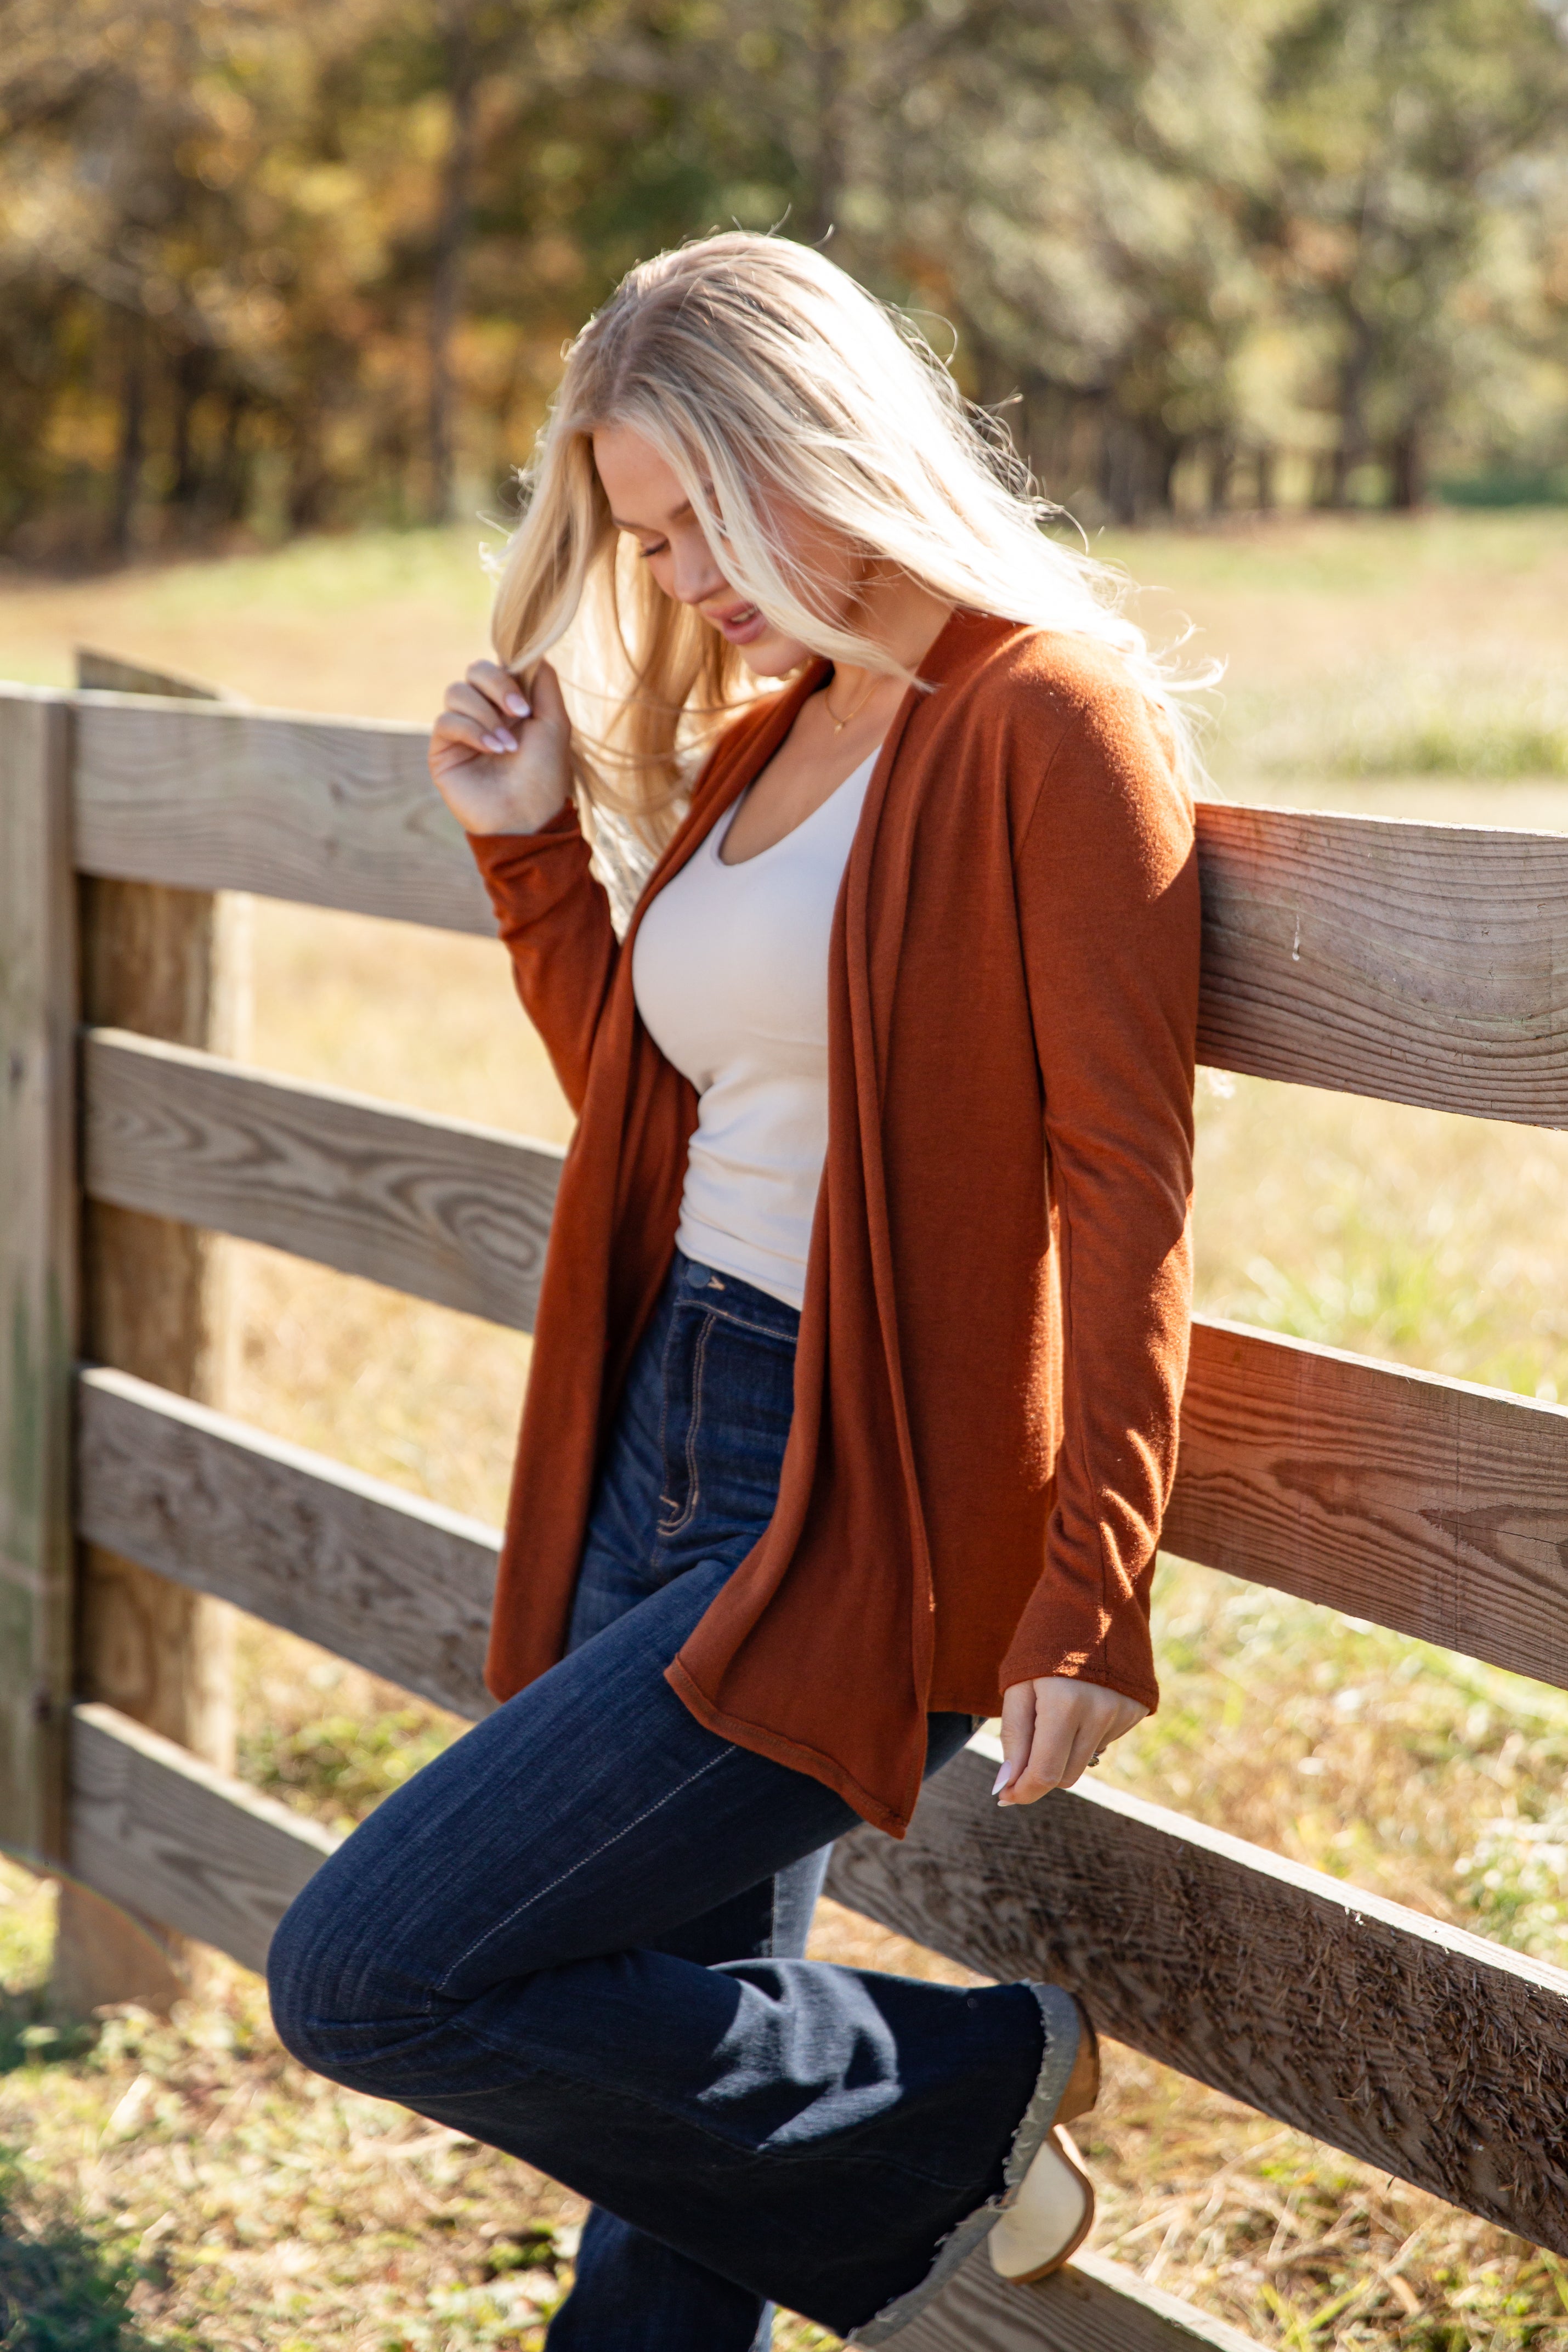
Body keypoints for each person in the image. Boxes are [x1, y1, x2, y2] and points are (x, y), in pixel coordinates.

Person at [266, 230, 1202, 2350]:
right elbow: (657, 1108)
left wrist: (1097, 1577)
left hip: (860, 1484)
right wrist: (530, 850)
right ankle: (897, 2146)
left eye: (697, 518)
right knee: (668, 2099)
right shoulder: (765, 736)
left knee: (371, 1973)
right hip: (666, 1423)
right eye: (640, 533)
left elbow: (1124, 1184)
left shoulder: (1046, 721)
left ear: (818, 443)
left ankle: (975, 2079)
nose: (674, 577)